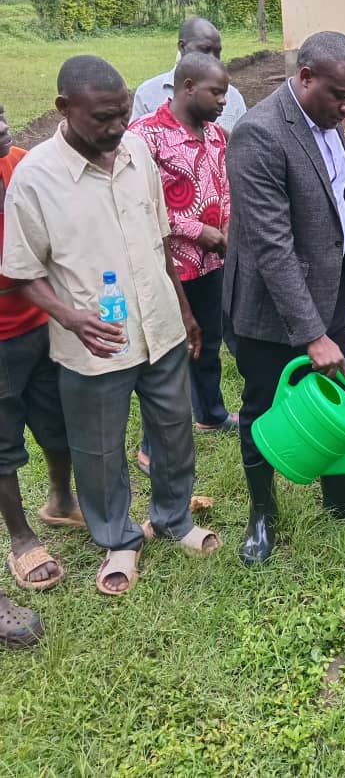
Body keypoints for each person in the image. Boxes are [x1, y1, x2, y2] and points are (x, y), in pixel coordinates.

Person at [2, 56, 222, 596]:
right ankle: (118, 537)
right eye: (102, 117)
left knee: (173, 430)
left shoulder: (137, 152)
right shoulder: (36, 176)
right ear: (64, 109)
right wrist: (70, 317)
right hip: (94, 343)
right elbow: (23, 271)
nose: (116, 127)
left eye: (122, 114)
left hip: (161, 327)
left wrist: (185, 312)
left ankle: (174, 518)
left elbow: (162, 239)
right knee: (99, 447)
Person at [224, 31, 345, 565]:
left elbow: (329, 198)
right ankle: (262, 515)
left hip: (328, 291)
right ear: (304, 78)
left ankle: (341, 499)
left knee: (334, 399)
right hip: (269, 309)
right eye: (339, 95)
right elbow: (272, 247)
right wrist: (312, 334)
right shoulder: (259, 134)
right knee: (262, 409)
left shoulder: (325, 121)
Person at [129, 53, 237, 478]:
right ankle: (150, 444)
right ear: (187, 86)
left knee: (208, 343)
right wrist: (197, 230)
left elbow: (225, 188)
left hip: (212, 263)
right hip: (167, 267)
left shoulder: (216, 136)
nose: (224, 101)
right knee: (166, 353)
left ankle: (210, 412)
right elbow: (138, 206)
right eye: (217, 92)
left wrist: (225, 228)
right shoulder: (145, 137)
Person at [0, 107, 82, 599]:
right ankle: (21, 538)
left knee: (58, 419)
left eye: (1, 114)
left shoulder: (23, 165)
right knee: (3, 439)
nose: (1, 128)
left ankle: (61, 500)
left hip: (39, 325)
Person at [130, 17, 247, 136]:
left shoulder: (234, 98)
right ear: (182, 47)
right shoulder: (148, 93)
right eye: (205, 50)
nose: (212, 58)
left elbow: (244, 146)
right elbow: (134, 145)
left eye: (217, 52)